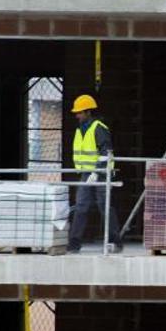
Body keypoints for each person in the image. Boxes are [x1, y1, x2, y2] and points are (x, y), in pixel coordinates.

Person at [66, 94, 122, 254]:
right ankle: (74, 243)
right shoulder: (80, 130)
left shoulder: (99, 128)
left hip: (101, 174)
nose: (77, 115)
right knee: (81, 207)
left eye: (80, 112)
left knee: (104, 207)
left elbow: (106, 152)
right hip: (86, 174)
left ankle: (115, 241)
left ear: (88, 112)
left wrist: (97, 172)